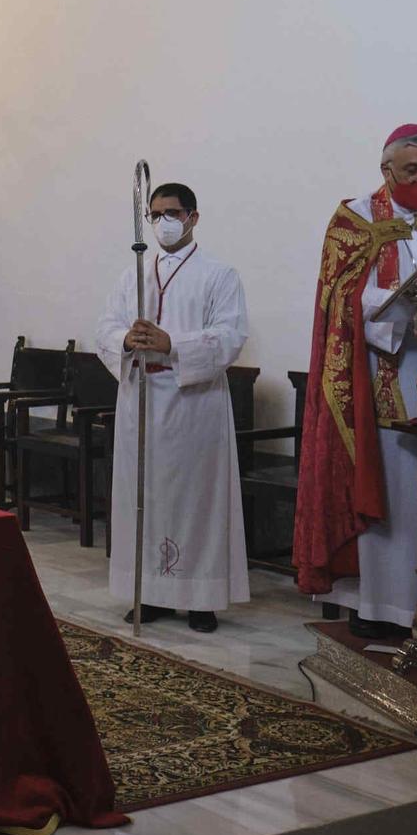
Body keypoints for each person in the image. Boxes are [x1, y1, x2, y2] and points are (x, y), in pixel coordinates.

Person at [293, 125, 417, 641]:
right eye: (412, 170)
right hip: (382, 373)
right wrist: (403, 318)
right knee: (392, 492)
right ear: (386, 171)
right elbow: (340, 301)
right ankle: (379, 605)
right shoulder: (354, 219)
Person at [93, 183, 251, 632]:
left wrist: (172, 343)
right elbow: (105, 326)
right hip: (140, 398)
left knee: (197, 500)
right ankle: (152, 594)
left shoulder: (220, 275)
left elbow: (231, 335)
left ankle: (200, 598)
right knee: (144, 497)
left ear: (193, 217)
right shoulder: (134, 275)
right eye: (156, 213)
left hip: (193, 402)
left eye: (173, 213)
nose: (164, 222)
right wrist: (125, 339)